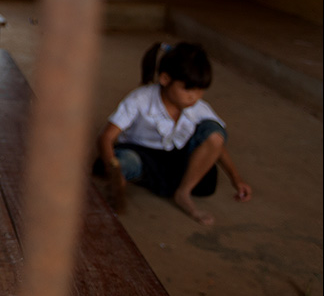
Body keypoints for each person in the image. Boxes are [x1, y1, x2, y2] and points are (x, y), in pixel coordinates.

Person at [97, 41, 252, 226]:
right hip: (141, 154)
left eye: (200, 90)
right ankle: (121, 179)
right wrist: (113, 169)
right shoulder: (140, 99)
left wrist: (236, 179)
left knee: (214, 133)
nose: (194, 97)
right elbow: (105, 137)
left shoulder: (198, 108)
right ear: (164, 79)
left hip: (176, 157)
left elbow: (216, 144)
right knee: (124, 163)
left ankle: (183, 192)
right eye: (188, 89)